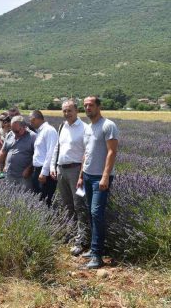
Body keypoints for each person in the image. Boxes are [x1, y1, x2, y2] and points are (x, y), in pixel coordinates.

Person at [77, 96, 119, 269]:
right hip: (87, 176)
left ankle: (97, 255)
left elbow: (112, 152)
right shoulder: (89, 127)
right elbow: (86, 153)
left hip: (99, 178)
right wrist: (81, 175)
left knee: (96, 214)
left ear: (98, 106)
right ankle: (94, 249)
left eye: (91, 105)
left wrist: (105, 176)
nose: (87, 108)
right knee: (91, 213)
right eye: (85, 106)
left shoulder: (108, 125)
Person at [50, 100, 88, 257]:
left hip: (76, 171)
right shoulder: (61, 126)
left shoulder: (84, 128)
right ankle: (71, 234)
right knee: (67, 206)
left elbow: (87, 153)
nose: (66, 113)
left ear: (77, 111)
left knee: (80, 205)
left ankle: (81, 241)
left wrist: (82, 175)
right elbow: (57, 148)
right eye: (64, 111)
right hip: (62, 170)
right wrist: (53, 166)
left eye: (69, 110)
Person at [0, 116, 36, 190]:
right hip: (9, 174)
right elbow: (3, 151)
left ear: (24, 127)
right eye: (13, 131)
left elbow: (37, 156)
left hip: (23, 176)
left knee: (24, 199)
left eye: (17, 131)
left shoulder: (33, 137)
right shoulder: (10, 134)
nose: (15, 135)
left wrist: (29, 168)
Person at [29, 110, 58, 206]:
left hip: (44, 172)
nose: (30, 123)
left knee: (45, 200)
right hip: (38, 170)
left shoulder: (49, 130)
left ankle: (49, 220)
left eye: (31, 120)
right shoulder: (40, 131)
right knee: (39, 199)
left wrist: (44, 172)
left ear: (36, 119)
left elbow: (51, 152)